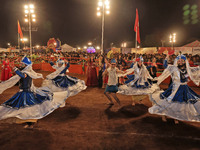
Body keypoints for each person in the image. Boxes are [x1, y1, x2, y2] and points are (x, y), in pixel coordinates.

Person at [0, 57, 69, 129]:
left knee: (28, 109)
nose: (20, 64)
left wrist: (14, 68)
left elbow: (22, 75)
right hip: (22, 93)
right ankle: (29, 123)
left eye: (22, 63)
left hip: (26, 94)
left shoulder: (26, 73)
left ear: (26, 65)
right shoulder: (25, 71)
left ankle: (30, 124)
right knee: (23, 109)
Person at [149, 54, 200, 123]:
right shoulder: (173, 68)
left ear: (185, 61)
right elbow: (165, 66)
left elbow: (197, 69)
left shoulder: (188, 69)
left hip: (184, 89)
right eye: (179, 61)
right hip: (174, 89)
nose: (180, 62)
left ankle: (176, 117)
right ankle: (163, 115)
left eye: (182, 60)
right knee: (168, 103)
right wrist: (166, 59)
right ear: (177, 61)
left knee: (180, 105)